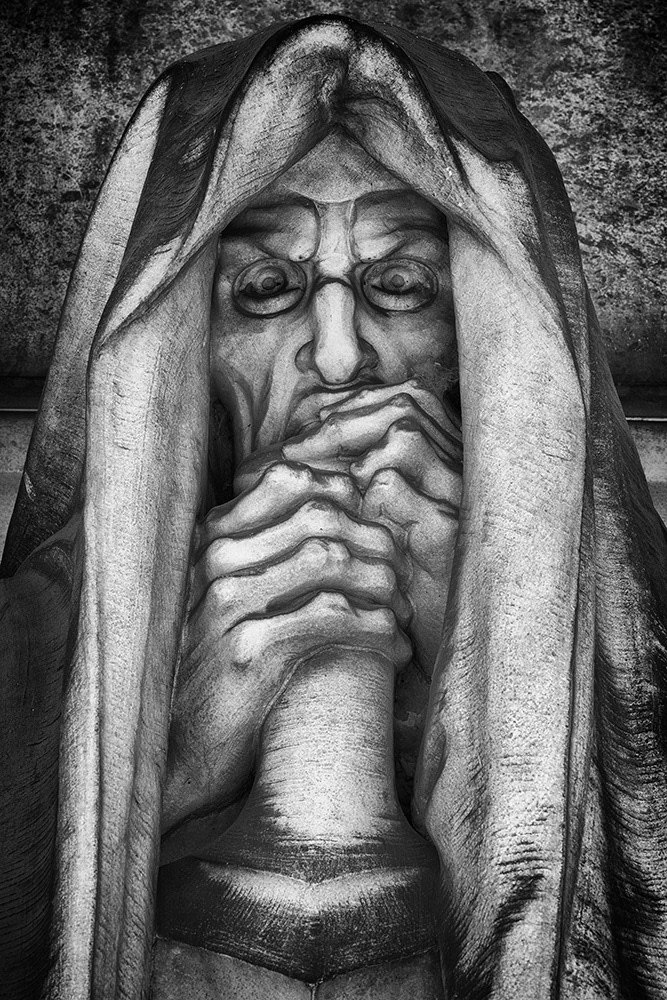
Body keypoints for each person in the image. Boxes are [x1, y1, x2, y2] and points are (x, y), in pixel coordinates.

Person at [2, 14, 667, 1000]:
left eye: (400, 284)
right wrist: (151, 761)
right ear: (174, 343)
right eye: (265, 287)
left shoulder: (639, 648)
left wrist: (496, 676)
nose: (340, 355)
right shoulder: (27, 655)